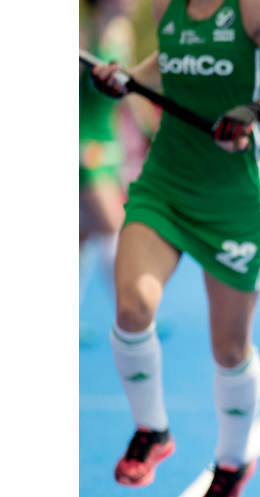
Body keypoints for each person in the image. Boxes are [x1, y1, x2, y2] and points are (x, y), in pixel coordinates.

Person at [88, 0, 260, 497]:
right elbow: (169, 62)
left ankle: (233, 462)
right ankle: (151, 430)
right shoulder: (163, 8)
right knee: (131, 308)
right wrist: (128, 78)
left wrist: (258, 108)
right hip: (164, 184)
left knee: (230, 347)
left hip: (234, 200)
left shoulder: (256, 8)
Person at [79, 0, 155, 323]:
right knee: (114, 225)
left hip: (111, 144)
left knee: (80, 235)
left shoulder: (123, 34)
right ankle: (131, 312)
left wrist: (152, 130)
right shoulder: (82, 35)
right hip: (83, 146)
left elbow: (129, 91)